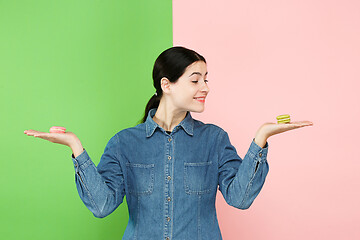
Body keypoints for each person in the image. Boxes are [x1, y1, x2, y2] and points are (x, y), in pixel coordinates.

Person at [24, 46, 313, 239]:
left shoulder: (214, 139)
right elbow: (102, 205)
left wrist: (261, 138)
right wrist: (75, 146)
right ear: (167, 85)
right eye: (195, 80)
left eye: (206, 79)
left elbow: (239, 199)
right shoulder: (124, 143)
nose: (206, 88)